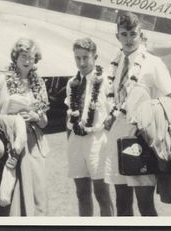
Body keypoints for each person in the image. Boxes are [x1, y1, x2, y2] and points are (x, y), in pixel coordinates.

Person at [103, 11, 171, 216]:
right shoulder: (114, 63)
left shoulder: (152, 63)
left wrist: (151, 121)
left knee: (145, 205)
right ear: (117, 35)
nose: (128, 39)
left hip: (140, 140)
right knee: (122, 204)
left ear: (141, 34)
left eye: (133, 34)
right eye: (124, 34)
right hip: (117, 137)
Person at [0, 38, 50, 216]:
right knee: (9, 196)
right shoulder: (0, 81)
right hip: (8, 143)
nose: (27, 60)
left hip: (33, 144)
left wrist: (36, 116)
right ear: (15, 56)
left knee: (37, 195)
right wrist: (11, 121)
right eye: (23, 56)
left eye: (31, 56)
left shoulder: (39, 83)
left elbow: (44, 122)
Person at [64, 38, 113, 216]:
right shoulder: (72, 83)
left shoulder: (106, 81)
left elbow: (112, 114)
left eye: (86, 57)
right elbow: (69, 114)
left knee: (102, 194)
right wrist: (69, 140)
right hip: (76, 141)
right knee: (81, 193)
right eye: (78, 58)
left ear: (95, 57)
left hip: (97, 141)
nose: (82, 62)